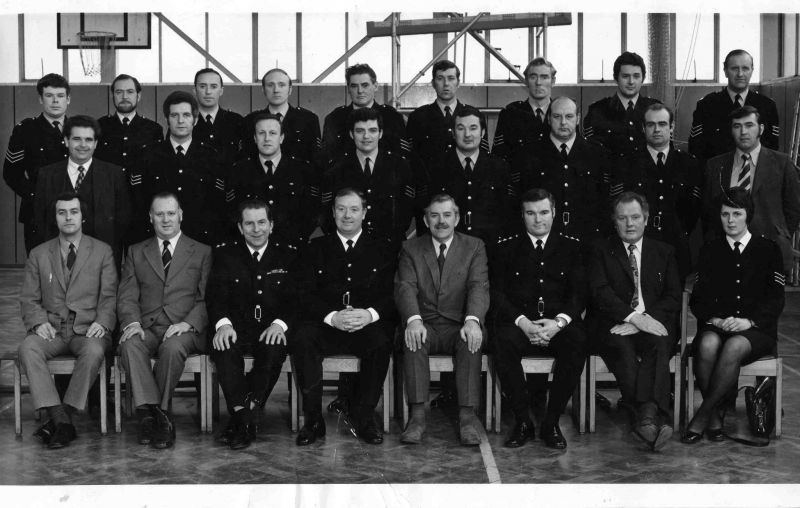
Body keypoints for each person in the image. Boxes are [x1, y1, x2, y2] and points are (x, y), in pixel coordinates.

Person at [292, 188, 395, 446]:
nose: (347, 215)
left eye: (353, 209)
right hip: (327, 325)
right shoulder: (315, 248)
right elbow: (304, 293)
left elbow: (392, 292)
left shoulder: (383, 248)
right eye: (340, 209)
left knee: (381, 342)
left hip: (364, 325)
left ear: (364, 212)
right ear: (333, 212)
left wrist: (369, 315)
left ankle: (364, 416)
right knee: (302, 339)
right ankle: (313, 420)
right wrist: (331, 317)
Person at [683, 187, 785, 444]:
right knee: (706, 343)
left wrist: (749, 321)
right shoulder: (710, 249)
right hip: (720, 324)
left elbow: (776, 298)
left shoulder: (768, 249)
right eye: (725, 214)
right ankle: (715, 418)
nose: (730, 220)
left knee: (734, 345)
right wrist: (715, 320)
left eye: (736, 214)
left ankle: (703, 416)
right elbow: (698, 299)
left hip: (756, 329)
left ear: (747, 215)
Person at [18, 192, 117, 449]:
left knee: (95, 351)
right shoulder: (39, 254)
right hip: (53, 331)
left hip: (88, 330)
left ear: (83, 216)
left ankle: (63, 418)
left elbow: (110, 296)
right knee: (27, 348)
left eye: (73, 211)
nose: (68, 217)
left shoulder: (102, 251)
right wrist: (39, 323)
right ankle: (61, 420)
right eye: (62, 212)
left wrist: (103, 322)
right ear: (55, 217)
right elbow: (29, 298)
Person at [491, 188, 588, 449]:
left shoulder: (572, 247)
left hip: (557, 324)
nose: (538, 219)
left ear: (554, 213)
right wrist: (522, 321)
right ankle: (523, 421)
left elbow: (579, 294)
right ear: (522, 215)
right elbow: (497, 293)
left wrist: (559, 323)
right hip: (520, 323)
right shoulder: (506, 248)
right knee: (502, 342)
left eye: (544, 212)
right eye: (531, 213)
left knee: (577, 342)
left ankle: (551, 422)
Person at [117, 192, 211, 450]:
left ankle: (156, 412)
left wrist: (187, 324)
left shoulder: (202, 251)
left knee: (172, 347)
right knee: (129, 344)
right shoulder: (136, 252)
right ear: (150, 217)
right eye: (160, 214)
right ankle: (156, 416)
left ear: (181, 215)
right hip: (146, 326)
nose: (166, 219)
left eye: (171, 213)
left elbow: (206, 299)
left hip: (184, 328)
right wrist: (132, 323)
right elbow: (126, 296)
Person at [587, 191, 681, 451]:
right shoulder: (599, 250)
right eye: (622, 218)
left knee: (660, 344)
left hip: (653, 323)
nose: (629, 223)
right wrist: (634, 318)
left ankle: (643, 415)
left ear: (646, 219)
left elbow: (673, 295)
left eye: (635, 217)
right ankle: (650, 414)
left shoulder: (665, 252)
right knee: (621, 346)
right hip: (614, 324)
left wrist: (645, 320)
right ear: (614, 221)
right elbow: (600, 293)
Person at [395, 193, 490, 446]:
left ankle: (467, 418)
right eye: (434, 215)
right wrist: (413, 320)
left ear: (457, 218)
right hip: (425, 323)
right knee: (412, 338)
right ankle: (417, 418)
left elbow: (478, 286)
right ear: (425, 220)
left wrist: (472, 320)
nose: (441, 221)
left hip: (458, 324)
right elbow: (405, 286)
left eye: (447, 215)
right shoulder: (410, 248)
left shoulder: (474, 246)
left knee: (472, 339)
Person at [208, 199, 295, 450]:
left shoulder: (287, 254)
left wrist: (279, 324)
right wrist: (223, 325)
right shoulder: (226, 254)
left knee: (273, 347)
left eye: (261, 223)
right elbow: (216, 296)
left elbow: (294, 299)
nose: (256, 229)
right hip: (237, 327)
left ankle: (243, 417)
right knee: (224, 347)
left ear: (271, 225)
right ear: (240, 227)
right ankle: (245, 417)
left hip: (270, 327)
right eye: (249, 224)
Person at [703, 106, 800, 273]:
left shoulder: (782, 163)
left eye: (749, 125)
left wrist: (779, 234)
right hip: (725, 253)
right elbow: (708, 211)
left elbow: (793, 208)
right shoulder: (715, 165)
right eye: (737, 126)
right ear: (731, 130)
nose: (743, 132)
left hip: (771, 251)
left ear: (760, 129)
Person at [130, 91, 225, 246]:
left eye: (186, 115)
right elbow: (140, 201)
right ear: (167, 119)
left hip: (199, 239)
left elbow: (216, 204)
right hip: (157, 239)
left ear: (195, 120)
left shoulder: (211, 156)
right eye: (174, 116)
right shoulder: (148, 155)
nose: (181, 121)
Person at [33, 115, 131, 266]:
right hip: (58, 259)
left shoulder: (114, 174)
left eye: (89, 140)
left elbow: (122, 220)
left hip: (101, 261)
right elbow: (40, 219)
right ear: (66, 141)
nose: (83, 145)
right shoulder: (47, 174)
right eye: (77, 139)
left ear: (96, 143)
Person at [622, 104, 702, 280]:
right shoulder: (628, 163)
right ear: (643, 128)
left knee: (674, 301)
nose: (657, 129)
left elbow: (694, 208)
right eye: (651, 124)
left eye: (662, 124)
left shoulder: (688, 163)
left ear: (671, 127)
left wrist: (679, 229)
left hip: (676, 246)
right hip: (639, 245)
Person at [517, 96, 610, 243]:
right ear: (548, 119)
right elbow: (522, 198)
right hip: (546, 238)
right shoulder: (531, 153)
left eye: (569, 116)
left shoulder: (596, 152)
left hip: (588, 237)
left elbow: (604, 200)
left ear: (578, 118)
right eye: (557, 116)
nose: (563, 122)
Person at [322, 108, 417, 249]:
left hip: (390, 247)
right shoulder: (336, 169)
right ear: (351, 134)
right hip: (350, 247)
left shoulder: (399, 166)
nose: (366, 136)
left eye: (372, 130)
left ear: (381, 133)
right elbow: (327, 214)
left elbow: (406, 210)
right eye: (360, 131)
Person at [227, 112, 321, 247]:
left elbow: (311, 213)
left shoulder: (303, 170)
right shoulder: (239, 170)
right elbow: (233, 212)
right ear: (254, 138)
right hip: (252, 247)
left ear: (281, 138)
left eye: (272, 133)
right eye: (261, 133)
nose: (267, 138)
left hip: (293, 247)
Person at [428, 105, 515, 247]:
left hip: (489, 247)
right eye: (461, 128)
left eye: (473, 128)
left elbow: (506, 212)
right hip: (449, 246)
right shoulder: (437, 166)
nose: (467, 134)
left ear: (483, 132)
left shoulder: (499, 166)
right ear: (454, 133)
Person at [3, 73, 70, 253]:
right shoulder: (25, 130)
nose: (55, 101)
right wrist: (37, 197)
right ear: (41, 99)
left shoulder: (78, 128)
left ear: (68, 99)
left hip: (74, 211)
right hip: (37, 212)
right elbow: (11, 174)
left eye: (60, 96)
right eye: (49, 96)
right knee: (41, 270)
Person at [689, 49, 780, 164]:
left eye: (745, 68)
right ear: (725, 71)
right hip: (719, 175)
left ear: (752, 71)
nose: (740, 74)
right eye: (734, 68)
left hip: (756, 175)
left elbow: (772, 148)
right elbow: (696, 148)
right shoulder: (707, 105)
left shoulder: (767, 106)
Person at [406, 60, 489, 171]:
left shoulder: (475, 116)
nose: (446, 84)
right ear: (433, 83)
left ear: (458, 83)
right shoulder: (418, 117)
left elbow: (483, 156)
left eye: (451, 78)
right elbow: (410, 158)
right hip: (431, 184)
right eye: (440, 79)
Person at [321, 63, 409, 163]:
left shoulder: (392, 117)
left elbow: (401, 157)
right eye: (354, 86)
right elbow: (326, 157)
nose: (360, 91)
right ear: (348, 89)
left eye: (365, 85)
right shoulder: (335, 118)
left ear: (375, 86)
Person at [583, 52, 661, 164]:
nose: (631, 82)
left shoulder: (655, 109)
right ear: (616, 78)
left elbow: (665, 152)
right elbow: (590, 155)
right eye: (625, 76)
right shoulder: (597, 111)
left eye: (636, 76)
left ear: (643, 78)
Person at [244, 68, 321, 165]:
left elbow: (316, 159)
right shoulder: (250, 120)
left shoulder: (308, 119)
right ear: (263, 89)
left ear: (290, 89)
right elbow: (246, 158)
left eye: (282, 85)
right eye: (270, 85)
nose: (276, 90)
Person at [95, 73, 163, 175]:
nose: (124, 97)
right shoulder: (99, 126)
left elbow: (158, 168)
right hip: (108, 189)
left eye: (130, 92)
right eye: (119, 92)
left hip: (141, 190)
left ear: (138, 96)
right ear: (112, 95)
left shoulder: (153, 129)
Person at [492, 57, 555, 163]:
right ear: (526, 81)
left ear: (553, 81)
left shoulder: (564, 113)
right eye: (533, 77)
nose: (538, 82)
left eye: (544, 77)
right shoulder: (510, 114)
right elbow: (498, 157)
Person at [192, 68, 246, 167]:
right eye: (202, 86)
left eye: (213, 86)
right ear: (195, 90)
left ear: (221, 91)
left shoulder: (236, 121)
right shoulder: (185, 122)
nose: (208, 92)